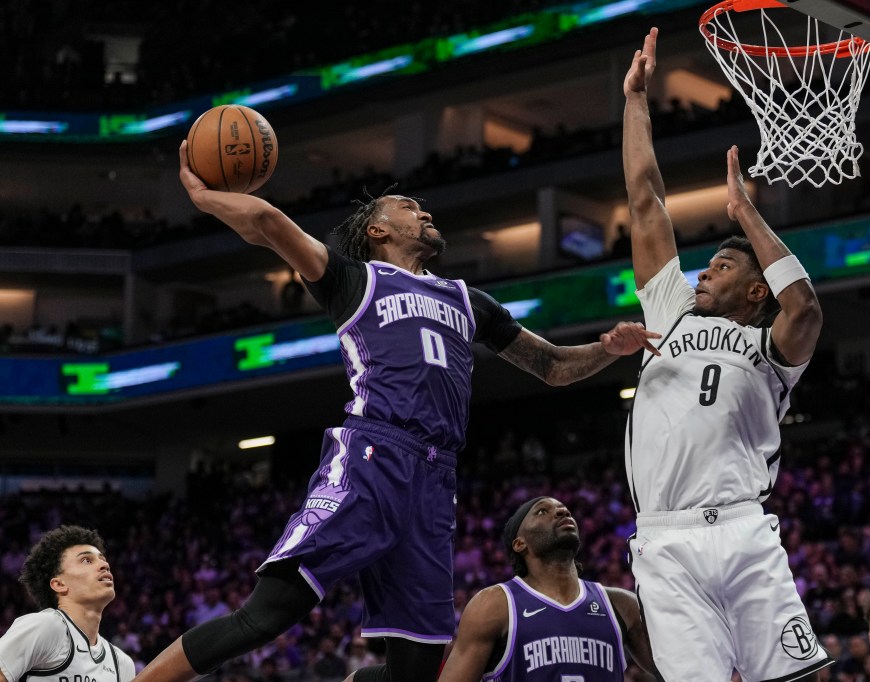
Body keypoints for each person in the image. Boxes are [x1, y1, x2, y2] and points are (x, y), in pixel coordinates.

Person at [134, 144, 660, 682]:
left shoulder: (467, 301)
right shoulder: (352, 280)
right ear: (377, 232)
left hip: (435, 481)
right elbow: (267, 222)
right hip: (371, 457)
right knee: (266, 616)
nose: (424, 213)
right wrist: (206, 196)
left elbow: (549, 365)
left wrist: (608, 351)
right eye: (408, 207)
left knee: (416, 666)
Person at [621, 28, 829, 680]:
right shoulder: (668, 314)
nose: (701, 275)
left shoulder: (770, 349)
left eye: (719, 267)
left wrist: (746, 216)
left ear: (753, 289)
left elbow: (808, 310)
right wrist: (634, 101)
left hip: (743, 529)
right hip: (663, 537)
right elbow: (646, 199)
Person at [438, 497, 655, 681]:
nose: (561, 511)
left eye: (565, 510)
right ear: (519, 543)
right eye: (543, 511)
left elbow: (677, 671)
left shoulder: (622, 605)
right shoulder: (495, 605)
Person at [0, 525, 135, 682]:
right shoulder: (46, 626)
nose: (105, 565)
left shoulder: (122, 664)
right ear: (59, 584)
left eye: (102, 559)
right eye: (87, 560)